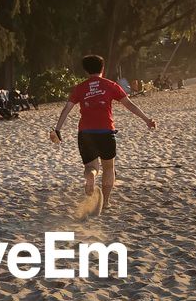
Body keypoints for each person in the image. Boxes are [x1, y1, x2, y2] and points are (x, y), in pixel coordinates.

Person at [50, 54, 157, 212]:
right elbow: (130, 105)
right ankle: (105, 201)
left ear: (86, 71)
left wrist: (58, 129)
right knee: (108, 167)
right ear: (103, 68)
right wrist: (147, 120)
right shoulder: (110, 85)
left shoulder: (80, 88)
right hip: (105, 131)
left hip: (85, 132)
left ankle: (91, 175)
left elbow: (67, 109)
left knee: (91, 166)